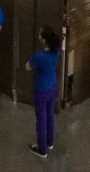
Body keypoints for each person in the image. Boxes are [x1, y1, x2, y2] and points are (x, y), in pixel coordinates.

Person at [28, 26, 62, 157]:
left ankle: (42, 149)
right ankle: (50, 142)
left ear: (43, 39)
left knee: (41, 118)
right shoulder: (56, 51)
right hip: (52, 86)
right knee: (50, 115)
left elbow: (28, 67)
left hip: (41, 89)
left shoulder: (39, 56)